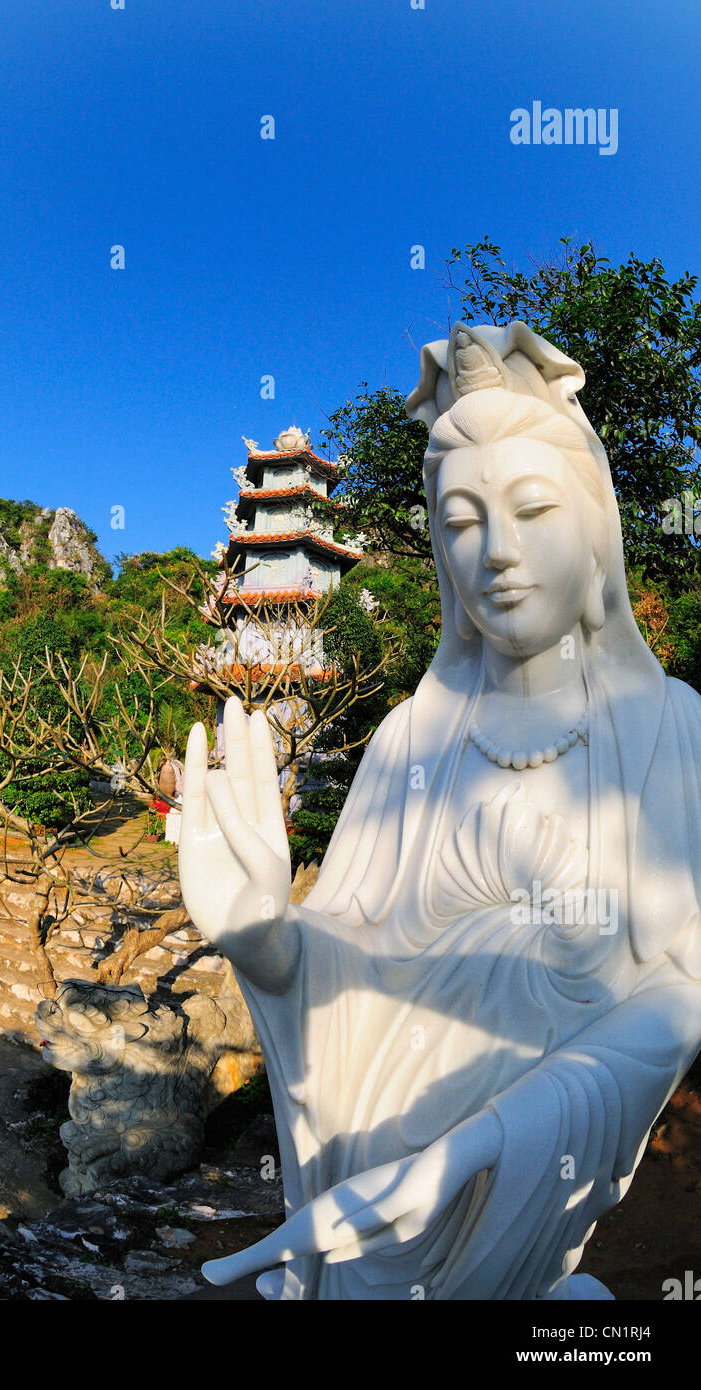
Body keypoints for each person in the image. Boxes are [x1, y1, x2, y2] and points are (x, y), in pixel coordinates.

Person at [178, 322, 701, 1300]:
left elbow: (680, 992)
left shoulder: (668, 733)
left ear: (594, 533)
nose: (495, 552)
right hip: (366, 1172)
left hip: (512, 1192)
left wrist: (490, 1139)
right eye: (459, 521)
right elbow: (344, 949)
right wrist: (268, 944)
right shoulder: (411, 738)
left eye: (532, 509)